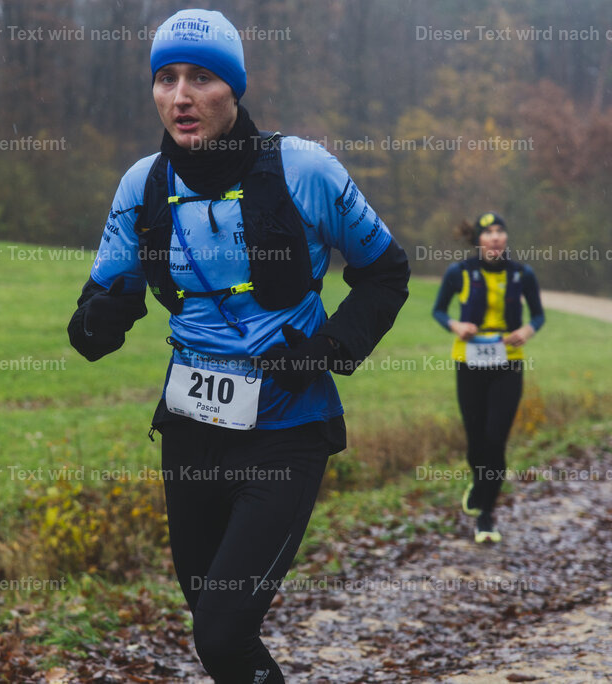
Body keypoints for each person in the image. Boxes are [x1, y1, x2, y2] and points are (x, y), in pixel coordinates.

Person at [67, 9, 410, 682]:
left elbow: (385, 271)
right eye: (165, 78)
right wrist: (98, 322)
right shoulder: (142, 187)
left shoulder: (303, 168)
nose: (180, 96)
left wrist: (330, 345)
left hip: (288, 427)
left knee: (224, 633)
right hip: (191, 432)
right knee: (213, 627)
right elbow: (95, 311)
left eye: (201, 78)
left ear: (234, 89)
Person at [432, 212, 544, 543]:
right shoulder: (460, 272)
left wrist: (526, 330)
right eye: (488, 232)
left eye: (500, 231)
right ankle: (479, 483)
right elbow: (439, 310)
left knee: (495, 439)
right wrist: (455, 325)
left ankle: (486, 515)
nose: (495, 237)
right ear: (478, 240)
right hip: (469, 362)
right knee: (476, 439)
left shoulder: (522, 274)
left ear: (506, 238)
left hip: (507, 363)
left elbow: (538, 315)